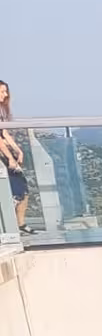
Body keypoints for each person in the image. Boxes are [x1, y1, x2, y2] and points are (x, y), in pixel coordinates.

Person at [0, 81, 27, 231]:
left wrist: (18, 151)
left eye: (6, 91)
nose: (6, 95)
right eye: (2, 91)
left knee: (21, 187)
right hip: (2, 155)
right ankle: (10, 228)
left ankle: (19, 225)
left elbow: (4, 133)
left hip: (5, 152)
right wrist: (10, 158)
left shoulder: (1, 111)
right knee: (17, 188)